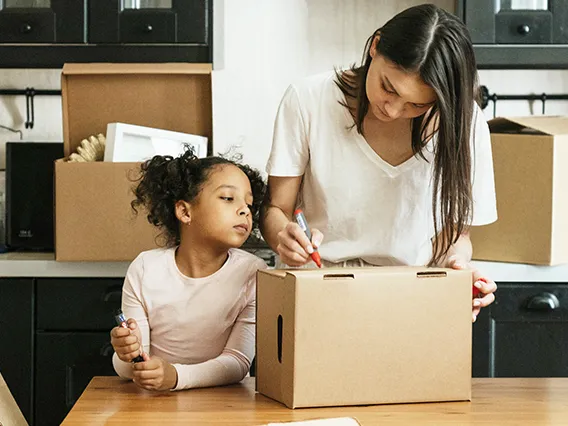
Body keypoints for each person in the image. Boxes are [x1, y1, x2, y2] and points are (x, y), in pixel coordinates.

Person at [260, 4, 497, 322]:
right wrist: (283, 237)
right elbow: (277, 209)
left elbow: (457, 238)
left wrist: (458, 269)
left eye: (417, 104)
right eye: (388, 87)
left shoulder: (464, 125)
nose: (394, 110)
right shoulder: (308, 100)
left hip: (412, 296)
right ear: (375, 45)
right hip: (317, 290)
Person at [110, 147, 267, 391]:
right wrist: (126, 355)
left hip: (225, 404)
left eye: (249, 203)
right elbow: (129, 369)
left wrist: (176, 377)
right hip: (153, 404)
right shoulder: (145, 269)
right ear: (185, 211)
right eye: (228, 198)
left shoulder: (254, 273)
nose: (245, 210)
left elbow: (238, 362)